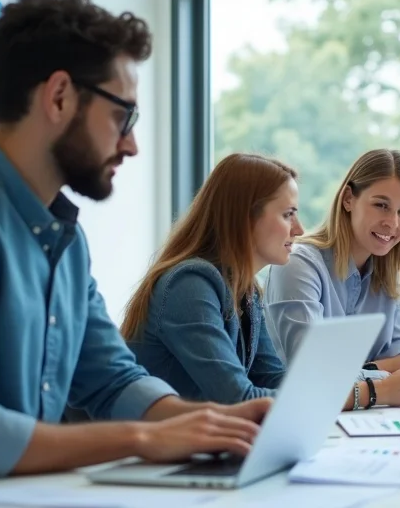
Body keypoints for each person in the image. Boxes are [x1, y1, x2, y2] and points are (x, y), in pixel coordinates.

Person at [0, 0, 270, 499]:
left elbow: (111, 378)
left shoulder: (65, 239)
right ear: (59, 96)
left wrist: (215, 421)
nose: (131, 144)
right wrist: (143, 438)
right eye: (123, 116)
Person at [120, 154, 303, 405]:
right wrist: (335, 398)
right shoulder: (188, 286)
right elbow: (237, 398)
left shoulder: (246, 289)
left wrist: (346, 391)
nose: (299, 229)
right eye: (288, 214)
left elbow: (270, 377)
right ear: (245, 217)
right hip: (159, 431)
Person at [264, 149, 400, 408]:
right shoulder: (298, 264)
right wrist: (385, 384)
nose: (392, 223)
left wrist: (360, 374)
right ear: (347, 199)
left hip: (363, 418)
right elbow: (310, 373)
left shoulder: (389, 274)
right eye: (381, 205)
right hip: (298, 415)